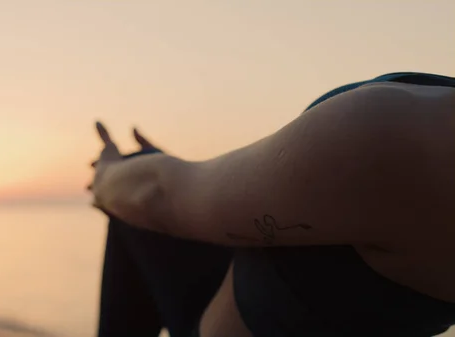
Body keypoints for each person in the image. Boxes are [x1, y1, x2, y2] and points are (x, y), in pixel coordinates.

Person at [90, 72, 455, 337]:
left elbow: (159, 194)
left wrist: (106, 176)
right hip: (264, 289)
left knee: (130, 193)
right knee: (143, 171)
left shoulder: (403, 132)